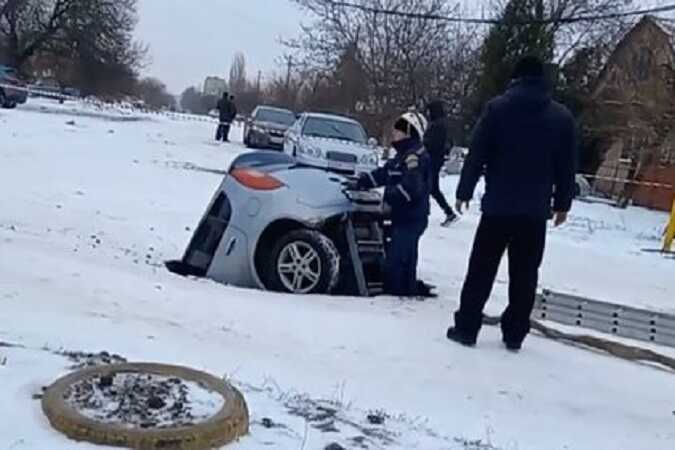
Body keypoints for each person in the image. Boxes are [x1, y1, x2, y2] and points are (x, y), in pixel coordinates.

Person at [446, 55, 576, 351]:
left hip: (497, 207)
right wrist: (562, 204)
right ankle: (515, 333)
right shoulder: (561, 118)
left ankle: (467, 327)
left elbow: (477, 153)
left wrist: (464, 190)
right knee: (526, 273)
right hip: (534, 211)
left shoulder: (497, 109)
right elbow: (567, 166)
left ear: (515, 78)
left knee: (481, 269)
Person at [356, 112, 432, 297]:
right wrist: (363, 181)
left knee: (398, 260)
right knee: (403, 257)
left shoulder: (414, 157)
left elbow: (412, 189)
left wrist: (389, 195)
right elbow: (385, 173)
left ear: (409, 132)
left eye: (398, 129)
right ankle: (407, 288)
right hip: (403, 217)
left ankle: (398, 294)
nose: (394, 133)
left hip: (411, 218)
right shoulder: (402, 156)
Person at [424, 100, 458, 227]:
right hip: (435, 158)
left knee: (430, 187)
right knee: (431, 187)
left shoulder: (437, 125)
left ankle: (448, 212)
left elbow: (434, 143)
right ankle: (448, 212)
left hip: (433, 158)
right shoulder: (440, 124)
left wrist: (424, 144)